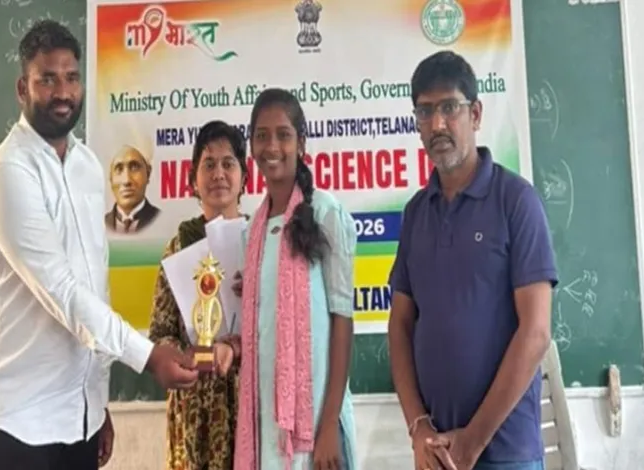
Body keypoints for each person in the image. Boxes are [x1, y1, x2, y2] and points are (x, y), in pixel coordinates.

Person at [0, 20, 198, 470]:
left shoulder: (87, 165)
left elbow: (93, 286)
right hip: (14, 420)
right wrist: (147, 356)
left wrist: (95, 399)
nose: (63, 92)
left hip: (76, 421)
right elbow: (62, 291)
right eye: (47, 79)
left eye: (71, 77)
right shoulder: (8, 172)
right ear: (22, 88)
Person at [387, 50, 558, 470]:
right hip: (437, 453)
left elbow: (536, 332)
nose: (437, 124)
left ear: (476, 114)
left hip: (506, 454)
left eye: (450, 108)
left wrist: (472, 441)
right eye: (425, 111)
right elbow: (400, 324)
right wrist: (418, 427)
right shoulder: (416, 213)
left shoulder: (516, 201)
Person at [215, 88, 359, 470]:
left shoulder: (326, 213)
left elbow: (342, 320)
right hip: (268, 424)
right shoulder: (252, 233)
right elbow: (262, 329)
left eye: (283, 134)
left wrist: (329, 425)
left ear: (301, 143)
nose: (272, 146)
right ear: (251, 146)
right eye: (261, 135)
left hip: (318, 425)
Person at [149, 120, 248, 470]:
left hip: (251, 406)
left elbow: (281, 328)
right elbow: (160, 332)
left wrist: (236, 347)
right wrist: (191, 356)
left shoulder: (260, 242)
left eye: (228, 163)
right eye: (208, 165)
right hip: (195, 412)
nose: (218, 174)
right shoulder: (178, 247)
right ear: (193, 180)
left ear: (244, 178)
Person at [105, 143, 161, 234]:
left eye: (134, 167)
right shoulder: (100, 224)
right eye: (119, 169)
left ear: (148, 173)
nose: (126, 181)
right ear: (111, 178)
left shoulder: (161, 220)